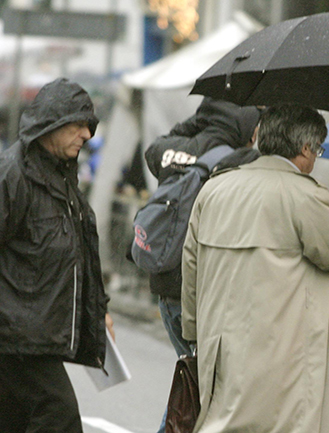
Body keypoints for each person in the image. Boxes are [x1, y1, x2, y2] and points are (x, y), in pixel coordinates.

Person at [181, 103, 329, 433]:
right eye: (318, 150)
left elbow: (191, 264)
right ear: (305, 148)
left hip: (219, 344)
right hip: (282, 351)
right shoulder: (303, 195)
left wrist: (194, 332)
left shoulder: (214, 189)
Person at [141, 96, 261, 433]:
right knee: (203, 393)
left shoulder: (171, 150)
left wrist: (197, 124)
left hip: (166, 288)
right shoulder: (241, 162)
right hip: (202, 293)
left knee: (196, 388)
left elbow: (154, 149)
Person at [0, 78, 114, 433]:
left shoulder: (63, 176)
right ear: (52, 122)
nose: (87, 135)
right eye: (79, 125)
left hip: (35, 336)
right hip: (15, 338)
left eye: (90, 126)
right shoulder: (13, 173)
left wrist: (99, 310)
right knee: (58, 415)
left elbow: (79, 253)